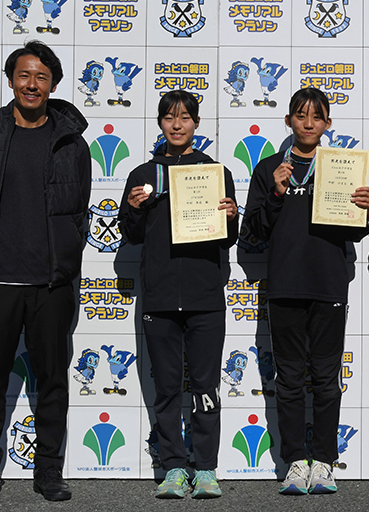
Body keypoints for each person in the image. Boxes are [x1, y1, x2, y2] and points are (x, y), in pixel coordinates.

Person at [0, 40, 91, 504]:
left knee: (52, 382)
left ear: (52, 84)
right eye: (24, 75)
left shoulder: (73, 143)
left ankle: (49, 471)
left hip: (50, 285)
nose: (31, 84)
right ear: (11, 79)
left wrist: (65, 259)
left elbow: (79, 212)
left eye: (41, 77)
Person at [242, 87, 369, 495]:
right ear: (288, 121)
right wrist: (276, 194)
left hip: (328, 283)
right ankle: (296, 461)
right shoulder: (269, 168)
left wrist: (366, 210)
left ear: (328, 123)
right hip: (285, 286)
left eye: (317, 117)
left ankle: (325, 461)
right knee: (288, 379)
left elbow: (356, 230)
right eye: (300, 115)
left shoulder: (341, 167)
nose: (308, 123)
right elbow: (253, 231)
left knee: (326, 378)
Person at [119, 90, 238, 499]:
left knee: (205, 388)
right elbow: (131, 235)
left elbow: (229, 238)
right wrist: (134, 208)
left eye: (185, 117)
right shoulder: (142, 173)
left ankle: (205, 468)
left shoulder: (215, 172)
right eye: (169, 117)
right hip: (160, 297)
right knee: (167, 388)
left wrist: (231, 216)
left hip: (205, 297)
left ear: (196, 124)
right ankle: (172, 466)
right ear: (160, 123)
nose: (177, 124)